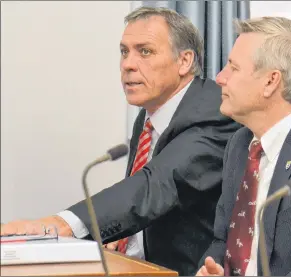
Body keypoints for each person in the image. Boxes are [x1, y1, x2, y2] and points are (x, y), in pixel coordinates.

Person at [1, 7, 241, 276]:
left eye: (145, 51)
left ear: (184, 61)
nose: (128, 64)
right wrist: (123, 234)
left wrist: (63, 223)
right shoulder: (149, 117)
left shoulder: (214, 111)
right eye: (124, 51)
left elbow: (157, 184)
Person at [197, 16, 291, 276]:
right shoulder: (239, 144)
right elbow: (223, 241)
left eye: (233, 68)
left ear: (271, 81)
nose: (220, 77)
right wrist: (211, 268)